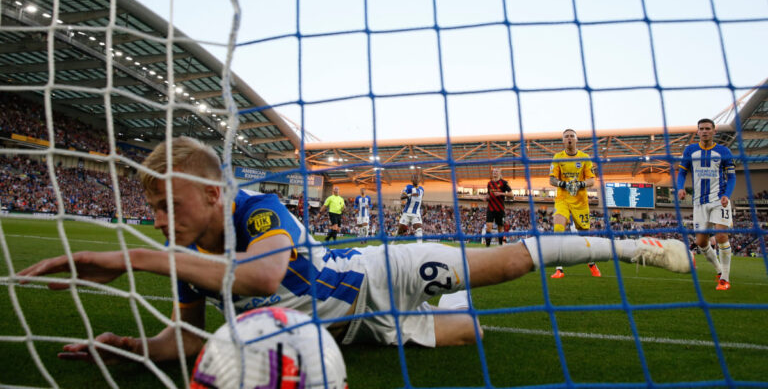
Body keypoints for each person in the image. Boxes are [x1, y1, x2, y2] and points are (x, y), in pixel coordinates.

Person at [17, 137, 693, 364]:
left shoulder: (257, 209)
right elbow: (188, 342)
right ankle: (436, 305)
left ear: (215, 195)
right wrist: (128, 347)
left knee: (510, 262)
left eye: (169, 205)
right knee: (468, 334)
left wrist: (134, 258)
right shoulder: (193, 262)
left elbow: (263, 278)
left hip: (374, 271)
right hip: (354, 324)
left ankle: (633, 243)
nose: (159, 219)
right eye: (153, 209)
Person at [677, 118, 736, 291]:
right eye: (701, 129)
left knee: (721, 236)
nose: (704, 131)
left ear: (714, 131)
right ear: (697, 132)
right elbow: (682, 173)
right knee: (701, 242)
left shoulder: (723, 151)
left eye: (708, 128)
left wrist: (726, 195)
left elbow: (731, 177)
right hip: (699, 203)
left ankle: (725, 279)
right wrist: (680, 188)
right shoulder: (690, 150)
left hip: (719, 200)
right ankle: (719, 270)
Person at [549, 129, 600, 279]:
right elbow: (552, 180)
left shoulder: (585, 158)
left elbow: (592, 180)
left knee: (584, 236)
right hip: (562, 199)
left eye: (572, 136)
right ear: (563, 141)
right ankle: (559, 269)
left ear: (577, 140)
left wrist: (579, 184)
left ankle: (591, 263)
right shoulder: (558, 157)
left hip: (580, 201)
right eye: (566, 137)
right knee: (558, 227)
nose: (569, 138)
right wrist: (564, 185)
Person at [485, 168, 512, 247]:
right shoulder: (489, 183)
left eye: (496, 171)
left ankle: (500, 245)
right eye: (493, 172)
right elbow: (488, 194)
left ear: (500, 173)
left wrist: (501, 194)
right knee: (488, 227)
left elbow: (511, 194)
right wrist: (486, 197)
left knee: (500, 229)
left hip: (500, 209)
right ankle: (487, 247)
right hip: (490, 208)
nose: (494, 173)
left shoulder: (504, 183)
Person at [396, 173, 424, 243]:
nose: (416, 179)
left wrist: (424, 207)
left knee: (419, 228)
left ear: (419, 180)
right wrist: (411, 194)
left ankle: (420, 247)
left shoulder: (422, 189)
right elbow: (401, 197)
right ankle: (394, 242)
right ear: (411, 180)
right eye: (414, 178)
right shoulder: (408, 187)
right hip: (407, 213)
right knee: (400, 231)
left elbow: (420, 200)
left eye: (417, 178)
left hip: (416, 213)